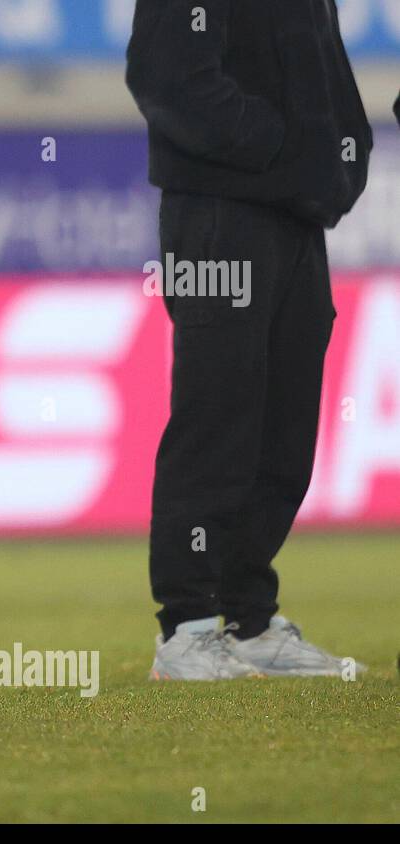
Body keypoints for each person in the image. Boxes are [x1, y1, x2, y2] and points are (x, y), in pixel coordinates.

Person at [126, 1, 372, 679]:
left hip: (296, 217)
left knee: (282, 430)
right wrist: (284, 151)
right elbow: (164, 78)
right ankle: (188, 626)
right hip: (217, 213)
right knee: (220, 416)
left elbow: (326, 79)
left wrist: (340, 160)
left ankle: (247, 617)